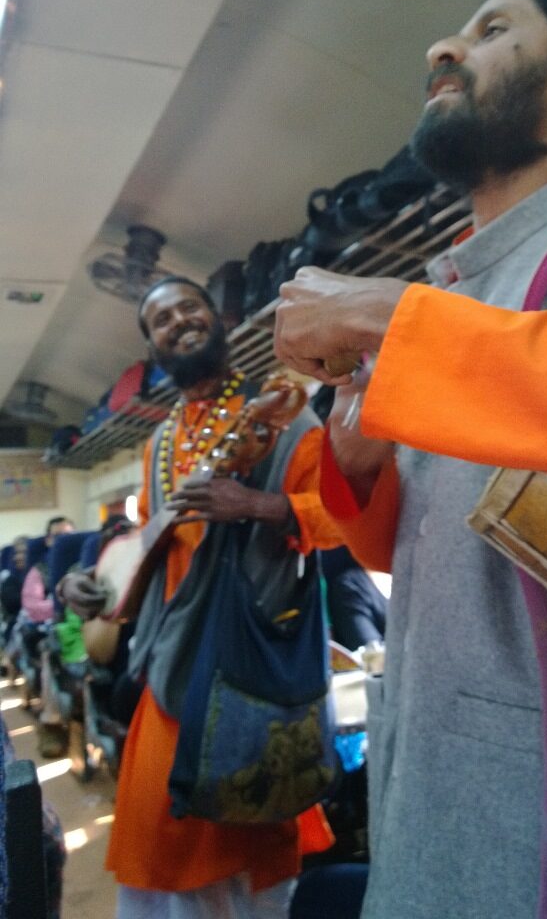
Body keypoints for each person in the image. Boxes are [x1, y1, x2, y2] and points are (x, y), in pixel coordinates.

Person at [274, 0, 547, 917]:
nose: (442, 48)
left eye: (494, 29)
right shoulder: (456, 296)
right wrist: (358, 466)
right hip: (427, 754)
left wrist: (386, 312)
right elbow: (409, 552)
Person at [59, 275, 342, 919]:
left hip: (243, 663)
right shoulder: (159, 444)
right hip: (168, 666)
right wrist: (97, 586)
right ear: (154, 348)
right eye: (161, 320)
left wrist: (258, 504)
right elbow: (159, 542)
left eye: (190, 307)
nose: (179, 321)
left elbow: (339, 517)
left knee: (239, 852)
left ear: (218, 320)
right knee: (159, 846)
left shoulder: (282, 411)